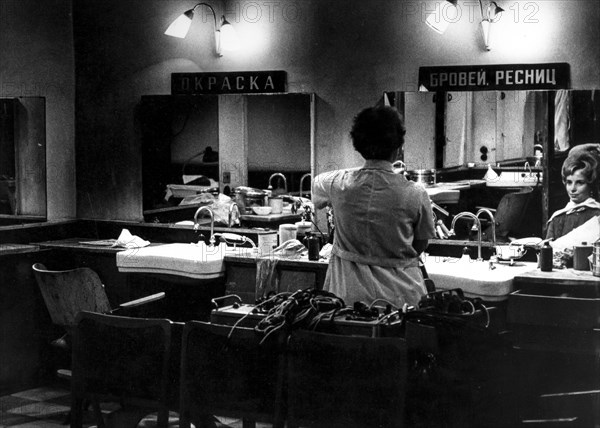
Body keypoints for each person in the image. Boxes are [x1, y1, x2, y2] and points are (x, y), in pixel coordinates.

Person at [312, 106, 436, 307]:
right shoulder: (415, 193)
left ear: (358, 146)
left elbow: (317, 184)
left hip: (348, 298)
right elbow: (420, 245)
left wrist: (367, 166)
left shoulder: (336, 184)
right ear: (398, 147)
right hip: (401, 299)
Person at [546, 151, 600, 240]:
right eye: (569, 182)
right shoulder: (557, 218)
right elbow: (548, 251)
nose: (573, 189)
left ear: (590, 184)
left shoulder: (597, 214)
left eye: (580, 182)